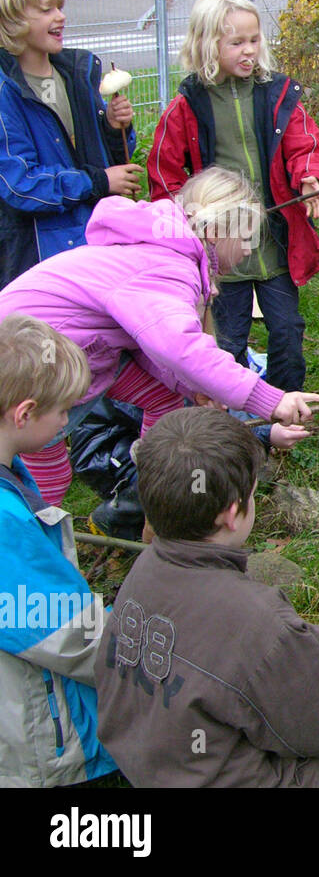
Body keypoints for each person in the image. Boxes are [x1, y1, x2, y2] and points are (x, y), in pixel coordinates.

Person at [92, 406, 319, 786]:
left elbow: (222, 646)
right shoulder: (259, 617)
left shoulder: (146, 568)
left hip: (146, 763)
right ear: (231, 514)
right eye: (254, 494)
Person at [0, 166, 319, 506]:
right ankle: (32, 533)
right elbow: (180, 348)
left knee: (164, 399)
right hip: (30, 359)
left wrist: (191, 387)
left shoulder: (164, 249)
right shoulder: (168, 266)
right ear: (215, 231)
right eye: (246, 239)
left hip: (89, 351)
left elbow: (147, 340)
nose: (248, 251)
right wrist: (271, 399)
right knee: (46, 471)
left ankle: (155, 488)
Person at [149, 0, 319, 393]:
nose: (249, 50)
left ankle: (287, 402)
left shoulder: (277, 94)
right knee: (227, 335)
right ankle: (228, 407)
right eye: (236, 42)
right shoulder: (186, 107)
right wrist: (187, 221)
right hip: (220, 247)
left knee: (286, 329)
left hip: (273, 240)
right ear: (206, 45)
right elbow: (163, 174)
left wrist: (308, 176)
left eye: (254, 40)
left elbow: (306, 143)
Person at [0, 314, 117, 787]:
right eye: (64, 410)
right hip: (38, 749)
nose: (68, 421)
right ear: (24, 414)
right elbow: (71, 637)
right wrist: (162, 654)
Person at [0, 0, 141, 288]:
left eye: (60, 7)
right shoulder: (6, 93)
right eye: (47, 10)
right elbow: (20, 185)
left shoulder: (74, 75)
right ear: (14, 20)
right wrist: (98, 182)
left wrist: (112, 126)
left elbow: (104, 154)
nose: (60, 17)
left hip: (96, 240)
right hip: (41, 257)